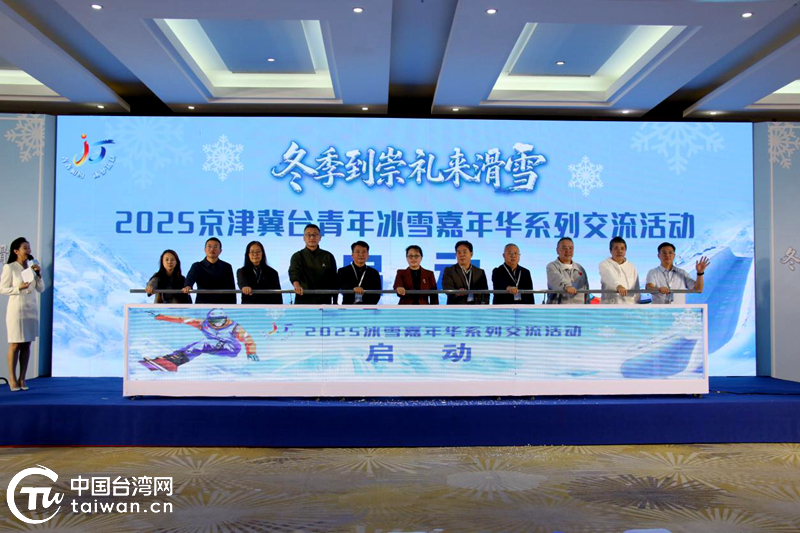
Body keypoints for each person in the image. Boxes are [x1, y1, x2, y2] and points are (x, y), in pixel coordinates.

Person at [139, 308, 257, 372]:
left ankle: (177, 361)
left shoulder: (234, 327)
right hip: (215, 345)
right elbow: (181, 319)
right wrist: (160, 316)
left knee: (204, 343)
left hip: (231, 348)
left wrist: (251, 352)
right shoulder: (203, 324)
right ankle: (168, 360)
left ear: (225, 319)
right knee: (192, 345)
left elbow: (248, 339)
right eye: (214, 321)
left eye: (220, 321)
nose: (217, 324)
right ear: (209, 320)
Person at [1, 237, 44, 391]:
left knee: (27, 344)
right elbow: (2, 288)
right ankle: (12, 378)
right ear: (16, 251)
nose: (28, 250)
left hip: (30, 308)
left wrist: (38, 275)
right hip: (16, 309)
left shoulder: (33, 266)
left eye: (29, 247)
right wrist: (18, 288)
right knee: (15, 344)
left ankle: (22, 378)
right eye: (25, 248)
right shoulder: (10, 267)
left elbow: (41, 289)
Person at [289, 224, 338, 304]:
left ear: (320, 237)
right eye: (308, 235)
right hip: (303, 300)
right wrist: (296, 285)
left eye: (315, 235)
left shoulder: (328, 256)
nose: (311, 237)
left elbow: (334, 281)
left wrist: (335, 302)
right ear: (304, 237)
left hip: (324, 301)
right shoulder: (297, 256)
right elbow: (294, 272)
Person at [183, 238, 236, 304]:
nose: (212, 249)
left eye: (215, 247)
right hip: (203, 304)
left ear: (220, 251)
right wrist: (188, 286)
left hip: (222, 304)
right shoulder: (197, 266)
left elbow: (231, 288)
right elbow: (190, 279)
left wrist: (233, 306)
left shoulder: (226, 266)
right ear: (205, 249)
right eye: (209, 246)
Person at [442, 240, 489, 305]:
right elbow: (447, 288)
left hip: (476, 307)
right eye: (459, 252)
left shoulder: (480, 272)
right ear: (456, 255)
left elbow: (486, 293)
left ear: (471, 254)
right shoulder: (450, 271)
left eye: (464, 252)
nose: (461, 255)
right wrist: (456, 292)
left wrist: (485, 306)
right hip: (457, 306)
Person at [546, 237, 590, 304]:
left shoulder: (580, 268)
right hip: (559, 308)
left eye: (570, 248)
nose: (568, 251)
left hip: (579, 308)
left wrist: (588, 306)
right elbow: (556, 279)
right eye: (564, 248)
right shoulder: (552, 266)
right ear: (557, 250)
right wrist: (566, 286)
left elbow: (586, 290)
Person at [599, 236, 640, 304]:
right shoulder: (604, 264)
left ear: (625, 251)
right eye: (616, 248)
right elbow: (609, 277)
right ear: (610, 251)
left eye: (622, 248)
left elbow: (636, 288)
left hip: (629, 305)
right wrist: (618, 286)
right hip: (610, 305)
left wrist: (636, 303)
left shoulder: (631, 267)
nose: (619, 251)